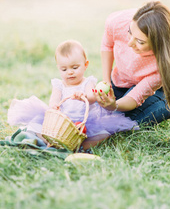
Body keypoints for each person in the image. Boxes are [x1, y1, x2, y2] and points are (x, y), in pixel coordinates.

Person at [7, 40, 139, 151]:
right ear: (59, 68)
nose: (69, 72)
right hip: (63, 121)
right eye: (64, 69)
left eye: (75, 67)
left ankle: (79, 147)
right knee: (35, 126)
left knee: (104, 135)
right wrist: (53, 105)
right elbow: (54, 98)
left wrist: (84, 96)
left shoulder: (88, 82)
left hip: (85, 122)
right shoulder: (59, 85)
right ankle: (53, 141)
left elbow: (93, 98)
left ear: (85, 65)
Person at [92, 1, 170, 124]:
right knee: (96, 110)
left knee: (126, 120)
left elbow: (135, 97)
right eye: (130, 32)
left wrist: (114, 106)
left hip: (152, 89)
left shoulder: (161, 66)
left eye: (140, 42)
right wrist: (107, 81)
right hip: (121, 81)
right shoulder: (120, 21)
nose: (129, 43)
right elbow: (107, 44)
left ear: (157, 44)